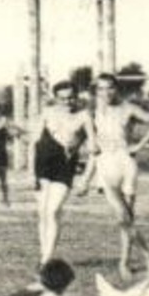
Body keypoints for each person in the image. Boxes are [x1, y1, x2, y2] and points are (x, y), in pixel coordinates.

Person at [78, 73, 149, 277]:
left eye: (110, 88)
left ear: (116, 89)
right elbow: (92, 148)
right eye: (101, 88)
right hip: (105, 164)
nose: (106, 92)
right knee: (123, 218)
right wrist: (85, 179)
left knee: (128, 218)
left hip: (126, 163)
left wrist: (140, 145)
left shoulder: (128, 108)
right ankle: (148, 258)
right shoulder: (90, 112)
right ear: (95, 91)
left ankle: (124, 262)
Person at [33, 81, 96, 266]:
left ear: (76, 96)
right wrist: (31, 172)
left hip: (64, 166)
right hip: (43, 164)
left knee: (53, 211)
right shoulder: (47, 113)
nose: (67, 102)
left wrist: (86, 179)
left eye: (71, 97)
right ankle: (44, 254)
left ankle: (46, 260)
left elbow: (93, 149)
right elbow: (34, 143)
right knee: (43, 212)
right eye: (62, 98)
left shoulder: (84, 116)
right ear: (55, 98)